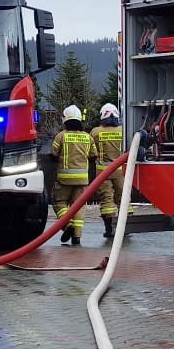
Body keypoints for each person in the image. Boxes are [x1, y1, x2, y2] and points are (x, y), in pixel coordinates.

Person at [50, 105, 93, 246]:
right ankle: (77, 237)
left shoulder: (61, 136)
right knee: (78, 206)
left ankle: (67, 224)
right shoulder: (88, 137)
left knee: (59, 203)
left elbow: (53, 154)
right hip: (82, 179)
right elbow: (93, 156)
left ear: (65, 120)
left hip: (64, 179)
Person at [92, 102, 127, 240]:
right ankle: (126, 228)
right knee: (123, 198)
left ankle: (109, 229)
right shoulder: (123, 130)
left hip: (103, 172)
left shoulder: (95, 132)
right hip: (121, 171)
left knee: (106, 200)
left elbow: (91, 152)